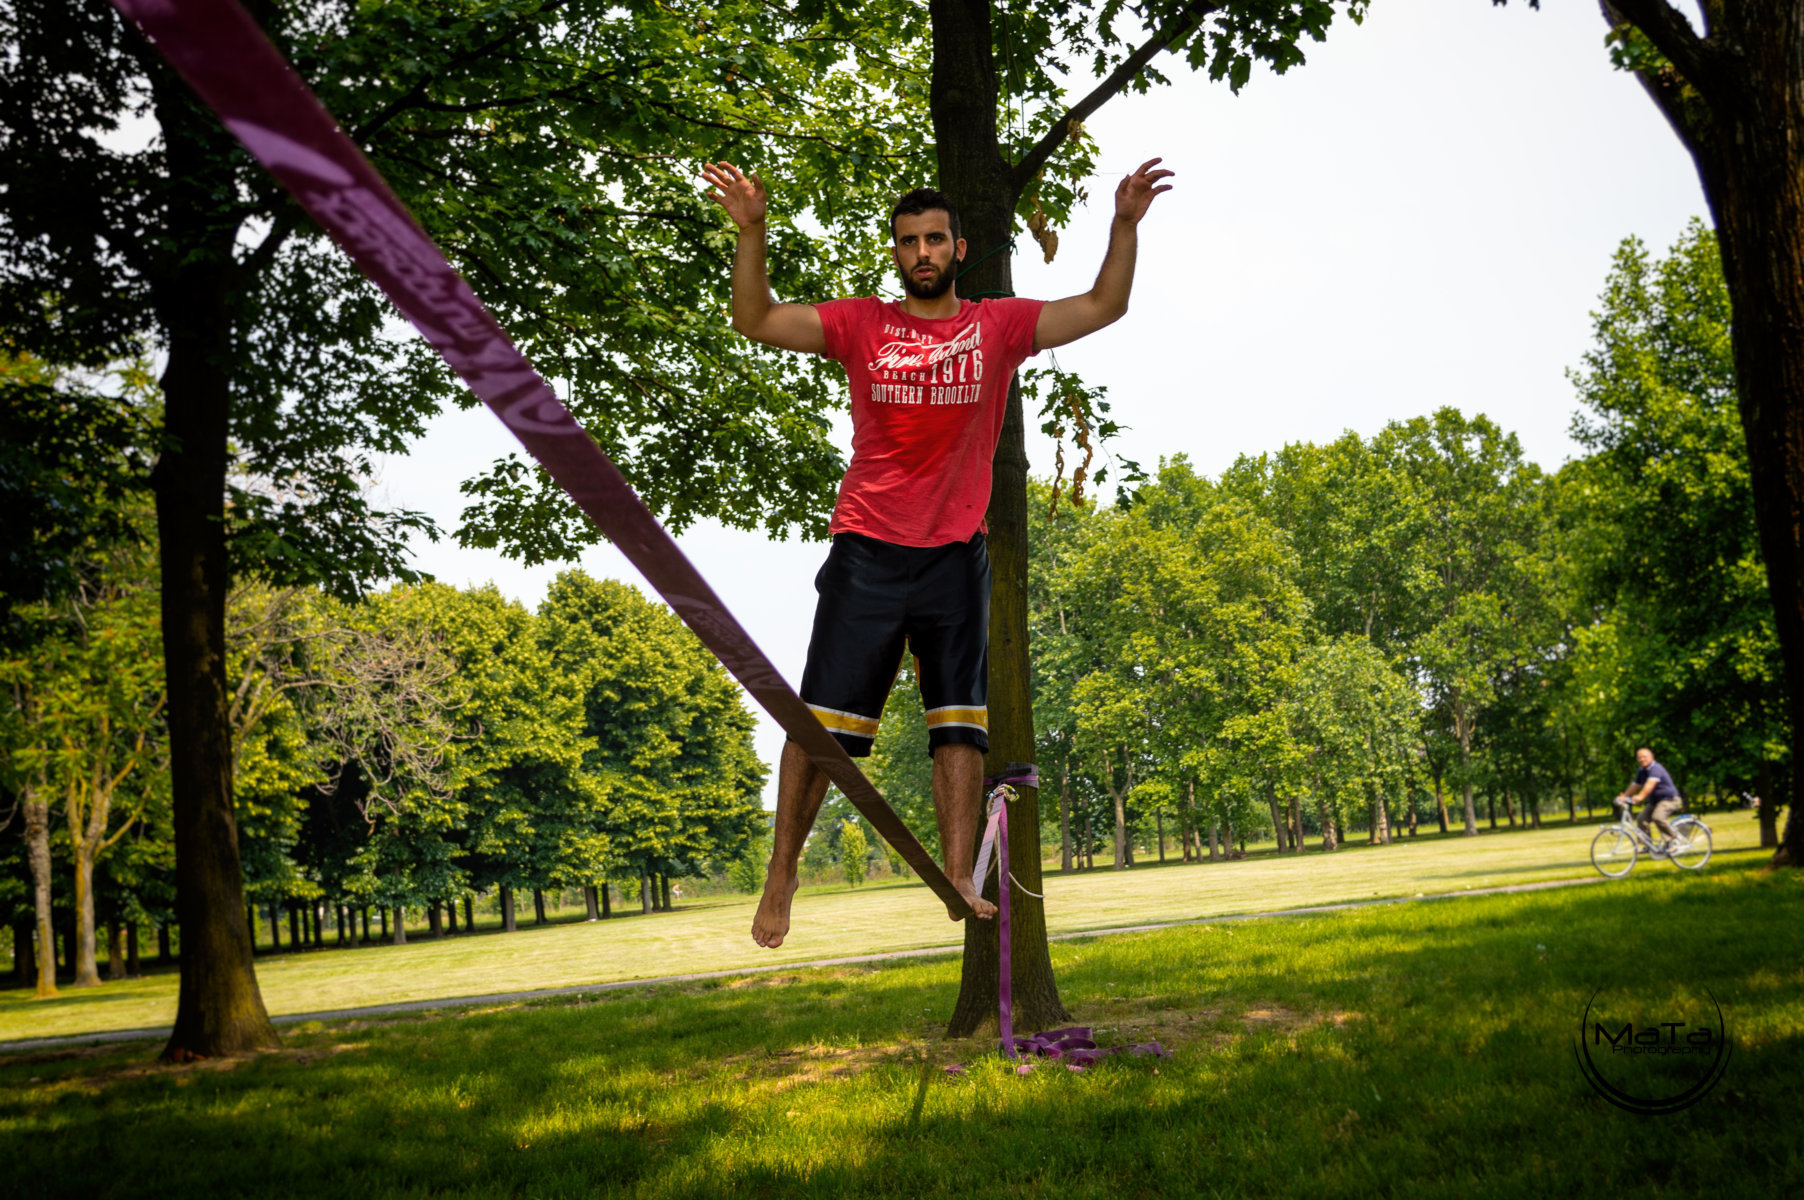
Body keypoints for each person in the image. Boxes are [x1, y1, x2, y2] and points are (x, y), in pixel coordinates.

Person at [701, 158, 1174, 948]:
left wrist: (1122, 226)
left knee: (960, 727)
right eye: (908, 242)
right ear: (896, 254)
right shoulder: (862, 326)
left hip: (955, 556)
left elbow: (1103, 305)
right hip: (867, 553)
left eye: (934, 240)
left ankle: (960, 873)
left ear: (959, 249)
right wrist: (752, 234)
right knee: (824, 730)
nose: (921, 252)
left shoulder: (998, 328)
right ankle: (781, 872)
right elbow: (757, 319)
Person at [1616, 746, 1684, 854]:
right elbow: (1635, 785)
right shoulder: (1641, 770)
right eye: (1639, 758)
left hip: (1669, 799)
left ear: (1652, 757)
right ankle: (1648, 846)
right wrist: (1624, 796)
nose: (1642, 759)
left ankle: (1674, 839)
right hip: (1655, 802)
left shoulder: (1656, 768)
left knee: (1658, 817)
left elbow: (1649, 785)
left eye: (1644, 757)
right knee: (1641, 819)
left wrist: (1640, 797)